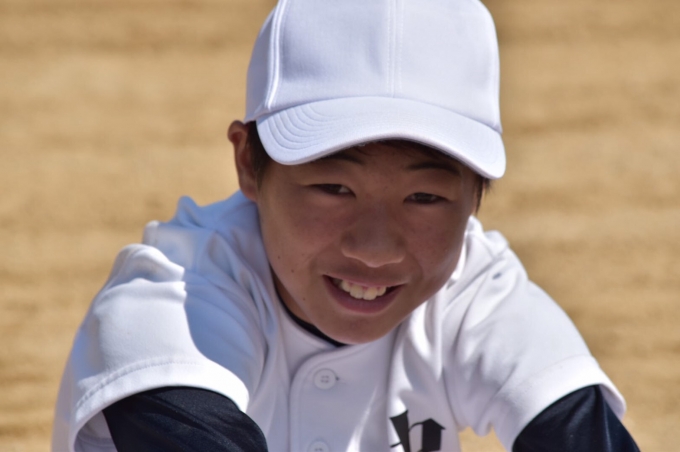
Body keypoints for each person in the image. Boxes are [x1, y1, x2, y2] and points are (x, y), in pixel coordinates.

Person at [52, 0, 640, 451]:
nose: (375, 248)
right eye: (334, 188)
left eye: (425, 197)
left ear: (474, 198)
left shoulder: (476, 296)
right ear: (248, 163)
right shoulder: (175, 298)